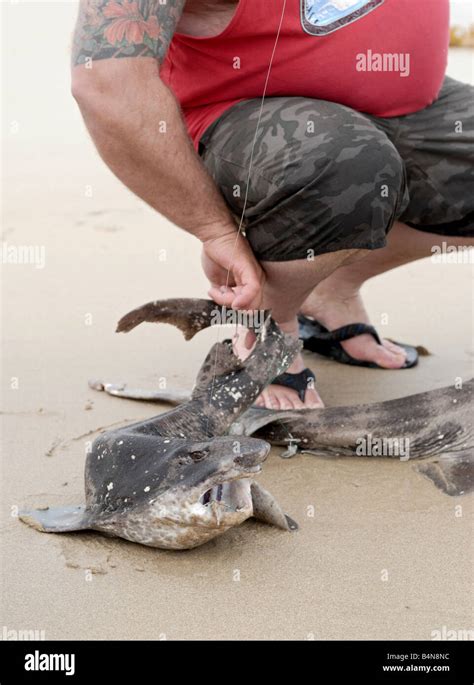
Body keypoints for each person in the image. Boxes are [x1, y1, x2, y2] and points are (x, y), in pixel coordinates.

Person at [71, 0, 474, 409]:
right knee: (352, 169)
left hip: (410, 104)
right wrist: (214, 230)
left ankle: (327, 285)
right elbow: (105, 83)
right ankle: (268, 321)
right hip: (246, 114)